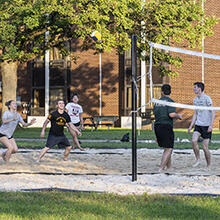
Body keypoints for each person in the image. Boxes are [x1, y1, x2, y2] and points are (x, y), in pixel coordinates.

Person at [153, 84, 182, 172]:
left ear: (162, 92)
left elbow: (156, 115)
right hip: (166, 126)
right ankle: (161, 168)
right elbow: (171, 114)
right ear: (170, 91)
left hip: (157, 126)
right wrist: (179, 116)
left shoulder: (157, 102)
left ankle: (169, 167)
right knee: (169, 148)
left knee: (166, 147)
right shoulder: (170, 102)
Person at [188, 82, 215, 168]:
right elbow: (195, 113)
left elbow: (213, 113)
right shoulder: (195, 100)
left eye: (195, 87)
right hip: (198, 125)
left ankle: (209, 164)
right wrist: (191, 125)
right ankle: (198, 159)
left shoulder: (207, 99)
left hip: (207, 125)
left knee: (204, 147)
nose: (193, 89)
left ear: (199, 88)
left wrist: (211, 125)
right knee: (193, 140)